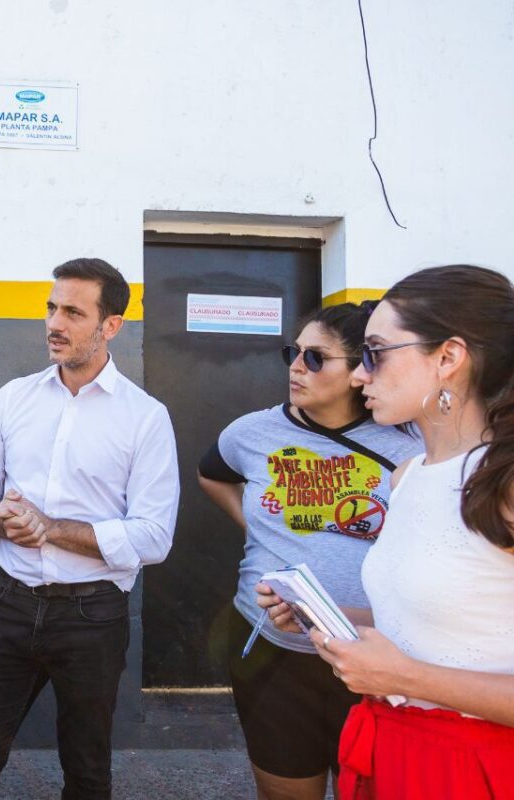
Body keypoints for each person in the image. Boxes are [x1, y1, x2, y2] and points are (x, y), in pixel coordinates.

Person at [261, 265, 514, 799]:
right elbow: (447, 620)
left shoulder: (505, 482)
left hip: (478, 769)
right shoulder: (408, 476)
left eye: (375, 352)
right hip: (390, 752)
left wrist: (403, 678)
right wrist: (326, 615)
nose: (358, 375)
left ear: (447, 358)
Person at [0, 258, 180, 800]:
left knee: (87, 771)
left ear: (110, 326)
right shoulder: (14, 397)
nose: (55, 323)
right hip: (9, 602)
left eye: (73, 312)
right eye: (52, 308)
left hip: (92, 613)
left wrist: (49, 528)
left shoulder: (145, 417)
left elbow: (152, 537)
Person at [198, 303, 422, 800]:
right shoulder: (251, 433)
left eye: (316, 358)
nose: (296, 367)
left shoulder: (409, 444)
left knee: (364, 788)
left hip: (372, 653)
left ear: (361, 369)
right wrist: (257, 528)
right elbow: (211, 474)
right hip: (272, 653)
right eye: (294, 353)